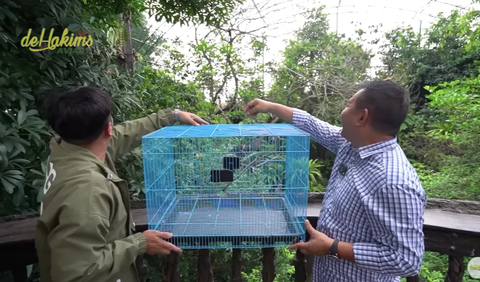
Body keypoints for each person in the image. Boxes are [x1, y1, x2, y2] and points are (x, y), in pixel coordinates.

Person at [244, 80, 426, 282]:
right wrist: (270, 106)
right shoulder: (351, 145)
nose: (343, 111)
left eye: (348, 105)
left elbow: (406, 260)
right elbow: (313, 125)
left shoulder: (393, 181)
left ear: (361, 116)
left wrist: (332, 247)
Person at [35, 86, 208, 282]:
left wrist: (173, 115)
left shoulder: (67, 149)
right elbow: (75, 274)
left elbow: (127, 133)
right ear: (108, 128)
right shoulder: (87, 190)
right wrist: (139, 243)